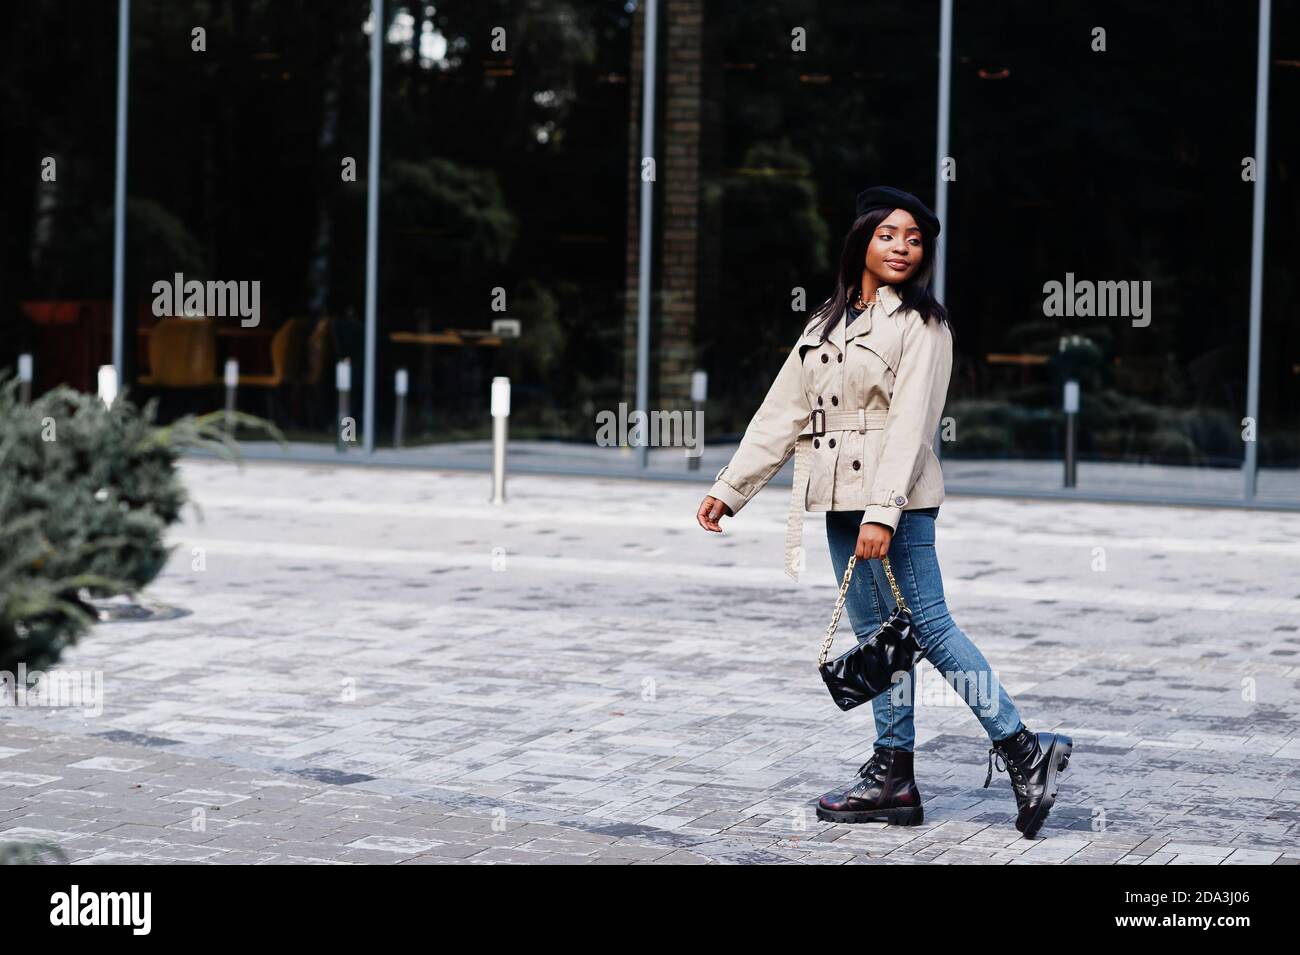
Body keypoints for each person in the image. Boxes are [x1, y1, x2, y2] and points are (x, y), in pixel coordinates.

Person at [695, 186, 1072, 838]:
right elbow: (785, 410)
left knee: (929, 628)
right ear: (862, 241)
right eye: (889, 234)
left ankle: (1023, 748)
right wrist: (732, 486)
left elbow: (911, 427)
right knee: (882, 643)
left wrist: (884, 512)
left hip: (895, 507)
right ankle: (894, 775)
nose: (902, 246)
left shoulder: (922, 324)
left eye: (915, 238)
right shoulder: (826, 322)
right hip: (840, 505)